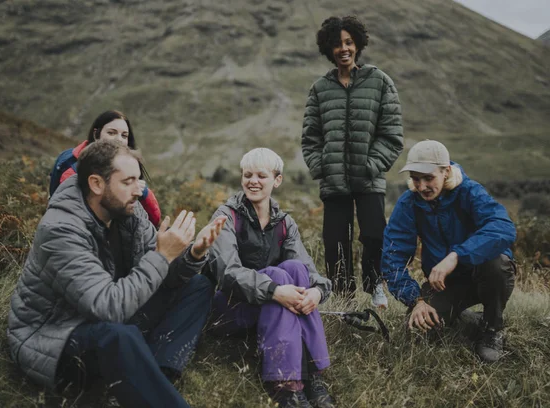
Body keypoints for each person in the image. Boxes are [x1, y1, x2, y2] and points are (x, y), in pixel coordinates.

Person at [8, 140, 227, 407]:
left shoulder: (129, 214)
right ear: (97, 184)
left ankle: (157, 374)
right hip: (57, 337)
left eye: (139, 180)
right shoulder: (61, 230)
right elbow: (107, 308)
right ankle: (149, 385)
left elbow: (165, 277)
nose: (139, 190)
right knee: (117, 336)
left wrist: (194, 254)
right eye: (128, 182)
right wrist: (162, 255)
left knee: (198, 285)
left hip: (113, 315)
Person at [208, 148, 334, 408]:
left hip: (271, 307)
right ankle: (285, 384)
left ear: (277, 180)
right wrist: (275, 290)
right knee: (278, 274)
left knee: (296, 269)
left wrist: (317, 292)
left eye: (261, 176)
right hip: (228, 307)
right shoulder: (226, 216)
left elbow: (308, 272)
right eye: (247, 175)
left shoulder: (284, 223)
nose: (253, 181)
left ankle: (310, 374)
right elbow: (228, 273)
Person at [381, 140, 516, 362]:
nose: (422, 186)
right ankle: (472, 321)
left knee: (497, 264)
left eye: (428, 178)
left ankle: (492, 329)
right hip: (443, 284)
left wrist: (457, 255)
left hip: (483, 275)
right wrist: (417, 300)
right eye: (416, 179)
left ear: (446, 171)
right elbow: (392, 257)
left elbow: (503, 228)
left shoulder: (470, 192)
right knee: (416, 331)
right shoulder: (409, 203)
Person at [301, 15, 404, 307]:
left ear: (358, 44)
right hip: (333, 181)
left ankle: (374, 286)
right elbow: (310, 138)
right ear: (329, 49)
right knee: (334, 243)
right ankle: (344, 298)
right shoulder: (320, 89)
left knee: (374, 235)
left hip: (369, 177)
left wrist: (371, 165)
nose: (343, 49)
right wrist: (321, 167)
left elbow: (392, 134)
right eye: (337, 44)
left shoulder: (380, 82)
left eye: (348, 42)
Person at [50, 110, 162, 227]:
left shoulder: (129, 166)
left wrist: (142, 192)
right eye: (112, 133)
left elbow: (154, 219)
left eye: (124, 135)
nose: (119, 139)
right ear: (96, 134)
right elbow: (71, 214)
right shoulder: (72, 168)